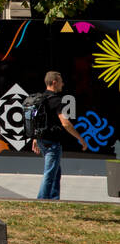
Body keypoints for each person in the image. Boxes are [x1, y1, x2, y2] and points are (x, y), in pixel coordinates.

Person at [32, 71, 88, 200]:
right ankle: (42, 200)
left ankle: (54, 198)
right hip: (52, 143)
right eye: (61, 81)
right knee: (50, 173)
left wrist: (35, 138)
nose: (63, 84)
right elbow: (66, 123)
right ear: (54, 82)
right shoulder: (56, 101)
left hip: (42, 140)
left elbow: (36, 120)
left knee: (55, 171)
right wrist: (80, 138)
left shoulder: (40, 99)